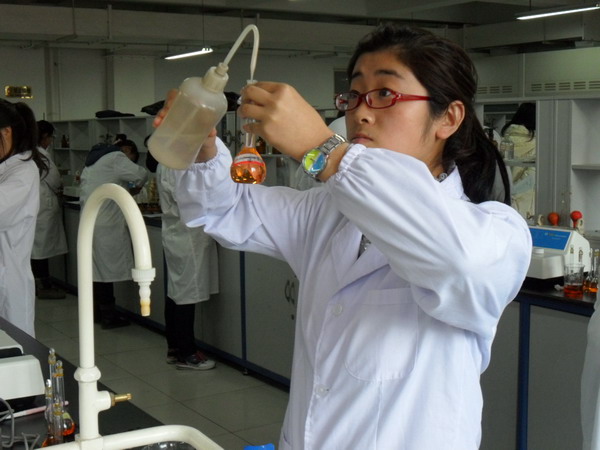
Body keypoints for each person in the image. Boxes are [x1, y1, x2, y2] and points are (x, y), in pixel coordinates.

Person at [157, 24, 532, 449]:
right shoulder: (327, 212)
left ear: (449, 117)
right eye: (353, 95)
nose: (361, 113)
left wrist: (325, 150)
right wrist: (202, 147)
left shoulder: (496, 233)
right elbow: (225, 209)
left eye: (385, 93)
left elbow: (454, 260)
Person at [79, 136, 148, 329]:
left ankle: (98, 313)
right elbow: (141, 175)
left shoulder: (94, 159)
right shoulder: (116, 158)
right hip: (106, 224)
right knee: (105, 273)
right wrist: (133, 187)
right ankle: (109, 316)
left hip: (91, 221)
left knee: (97, 271)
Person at [155, 162, 219, 370]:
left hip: (179, 233)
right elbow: (190, 199)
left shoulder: (167, 162)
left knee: (176, 293)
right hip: (187, 236)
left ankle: (174, 349)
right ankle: (187, 353)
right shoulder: (177, 165)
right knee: (186, 296)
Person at [0, 99, 48, 336]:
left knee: (13, 346)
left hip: (8, 281)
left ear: (6, 131)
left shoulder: (22, 172)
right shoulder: (7, 168)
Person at [31, 120, 68, 299]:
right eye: (51, 137)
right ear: (45, 136)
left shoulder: (26, 152)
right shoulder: (42, 156)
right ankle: (44, 286)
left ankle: (38, 284)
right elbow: (55, 180)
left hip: (34, 206)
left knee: (36, 249)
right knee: (41, 250)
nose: (51, 141)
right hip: (44, 207)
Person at [500, 102, 536, 220]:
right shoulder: (536, 144)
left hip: (503, 197)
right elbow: (530, 177)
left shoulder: (504, 139)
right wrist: (514, 193)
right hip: (524, 201)